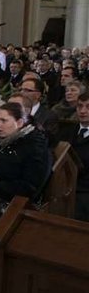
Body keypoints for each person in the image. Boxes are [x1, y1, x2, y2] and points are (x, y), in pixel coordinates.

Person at [0, 102, 52, 221]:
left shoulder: (35, 147)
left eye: (4, 121)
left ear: (19, 123)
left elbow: (30, 187)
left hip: (14, 207)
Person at [60, 92, 89, 221]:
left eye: (88, 107)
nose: (83, 111)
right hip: (63, 187)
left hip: (85, 193)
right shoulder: (66, 131)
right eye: (79, 106)